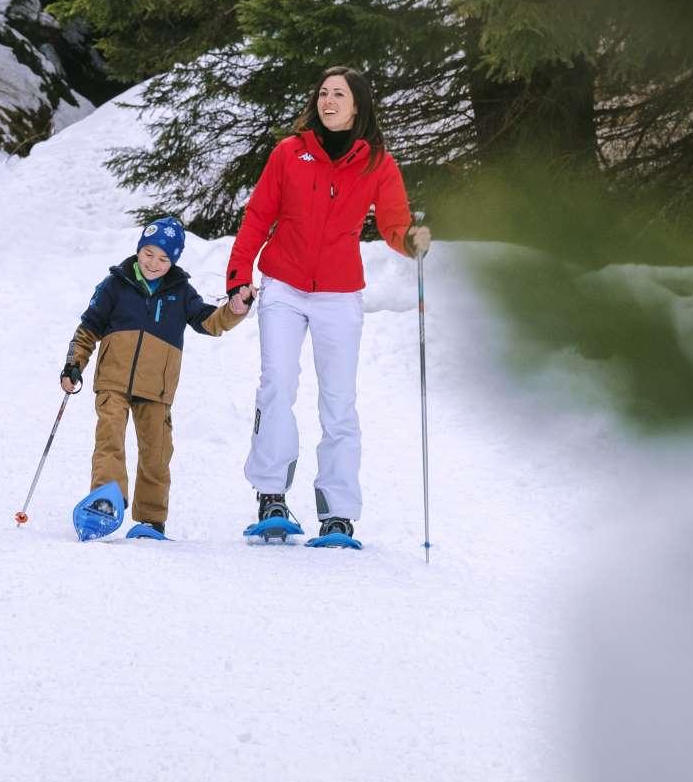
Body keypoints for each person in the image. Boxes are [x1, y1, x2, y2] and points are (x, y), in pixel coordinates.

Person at [224, 66, 432, 544]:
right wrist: (239, 277)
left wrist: (411, 241)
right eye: (322, 93)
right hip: (284, 286)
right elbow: (259, 215)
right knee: (277, 384)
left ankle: (338, 511)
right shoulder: (290, 152)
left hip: (338, 294)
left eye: (339, 94)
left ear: (357, 104)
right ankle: (271, 495)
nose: (328, 100)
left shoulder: (377, 161)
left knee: (339, 402)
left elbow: (395, 225)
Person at [60, 216, 251, 540]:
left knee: (157, 453)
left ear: (173, 261)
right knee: (109, 437)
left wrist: (234, 310)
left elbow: (209, 322)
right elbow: (88, 328)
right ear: (139, 250)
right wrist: (73, 364)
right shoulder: (115, 285)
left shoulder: (180, 292)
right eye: (149, 253)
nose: (154, 263)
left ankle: (150, 519)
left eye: (163, 258)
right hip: (113, 380)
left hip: (157, 388)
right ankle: (107, 498)